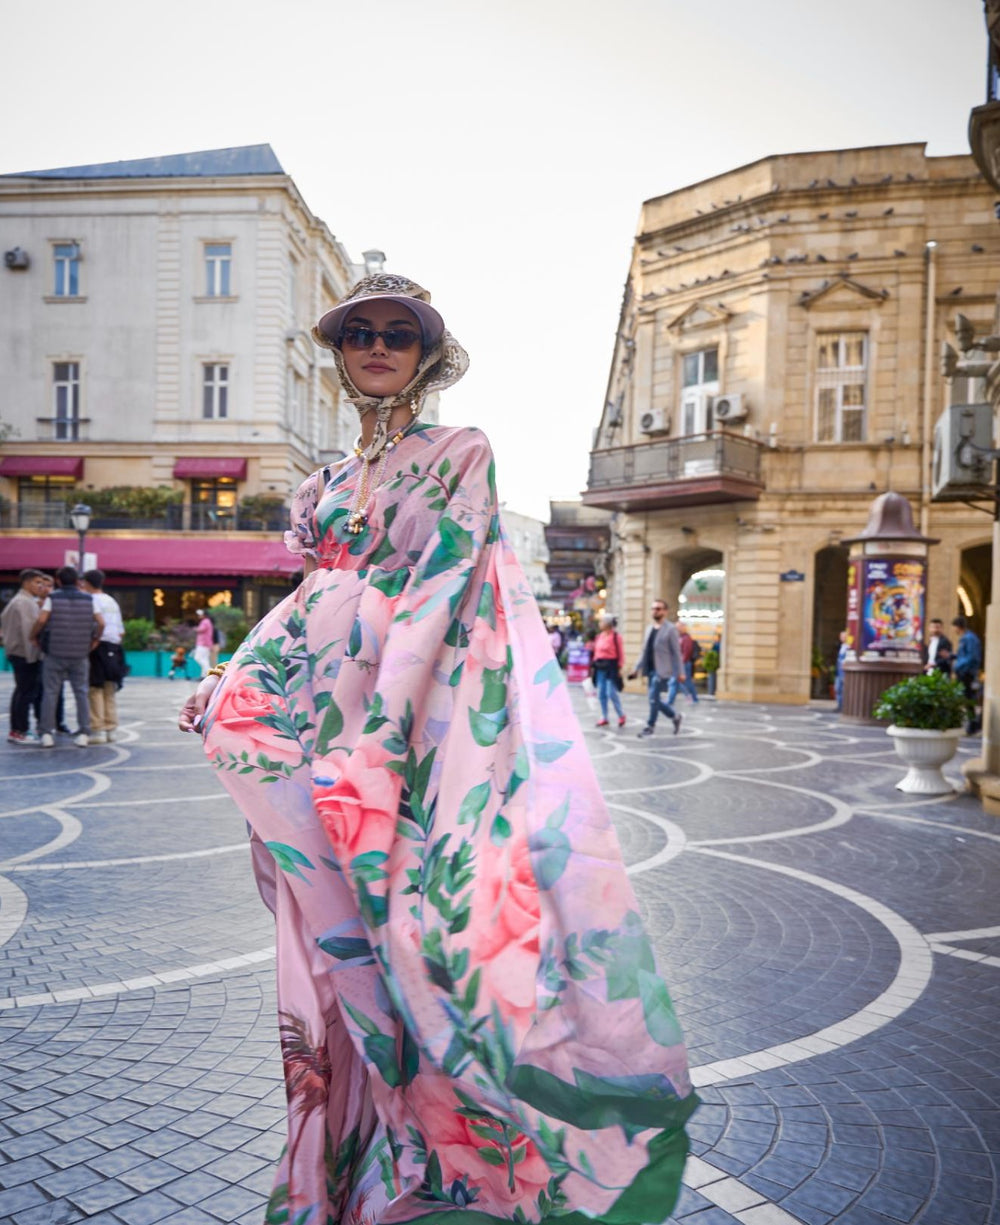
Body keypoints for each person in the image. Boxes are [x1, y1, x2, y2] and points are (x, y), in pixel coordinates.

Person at [178, 274, 694, 1225]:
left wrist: (381, 732)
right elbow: (306, 605)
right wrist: (228, 679)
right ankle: (366, 1150)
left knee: (425, 937)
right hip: (313, 733)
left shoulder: (461, 452)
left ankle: (451, 1154)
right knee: (337, 949)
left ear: (427, 353)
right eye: (360, 333)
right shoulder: (321, 485)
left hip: (413, 737)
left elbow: (447, 582)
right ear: (340, 353)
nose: (378, 346)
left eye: (398, 334)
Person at [33, 566, 103, 747]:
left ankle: (46, 733)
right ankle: (84, 733)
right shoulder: (89, 599)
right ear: (77, 581)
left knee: (50, 693)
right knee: (81, 692)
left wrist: (33, 636)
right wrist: (95, 640)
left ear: (58, 580)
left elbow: (41, 620)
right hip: (80, 653)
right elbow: (101, 622)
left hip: (55, 652)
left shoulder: (52, 598)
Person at [80, 569, 126, 744]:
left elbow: (100, 623)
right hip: (114, 648)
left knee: (95, 689)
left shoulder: (91, 600)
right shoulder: (111, 601)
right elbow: (121, 631)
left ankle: (97, 730)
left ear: (87, 583)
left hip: (98, 647)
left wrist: (95, 640)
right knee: (109, 689)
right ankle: (111, 729)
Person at [1, 568, 46, 743]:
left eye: (41, 583)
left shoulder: (20, 601)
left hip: (16, 652)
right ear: (26, 583)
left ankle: (17, 730)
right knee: (25, 693)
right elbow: (30, 634)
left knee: (22, 692)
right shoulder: (24, 602)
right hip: (24, 654)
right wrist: (33, 657)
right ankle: (20, 730)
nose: (40, 586)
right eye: (37, 582)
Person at [628, 597, 683, 737]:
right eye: (653, 608)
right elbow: (644, 651)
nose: (655, 611)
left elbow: (677, 653)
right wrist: (636, 668)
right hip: (650, 670)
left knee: (653, 699)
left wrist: (681, 672)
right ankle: (675, 716)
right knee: (654, 699)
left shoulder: (670, 629)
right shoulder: (649, 629)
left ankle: (650, 726)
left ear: (665, 611)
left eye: (658, 609)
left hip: (663, 670)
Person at [591, 613, 626, 727]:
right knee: (601, 693)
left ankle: (621, 715)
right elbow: (596, 651)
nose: (600, 623)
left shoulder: (616, 637)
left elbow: (620, 653)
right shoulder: (599, 636)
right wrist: (593, 665)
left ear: (608, 623)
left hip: (611, 666)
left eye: (602, 621)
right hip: (600, 666)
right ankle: (604, 717)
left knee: (611, 692)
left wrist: (620, 667)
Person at [951, 615, 983, 735]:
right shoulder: (966, 638)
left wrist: (957, 666)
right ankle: (973, 723)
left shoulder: (969, 638)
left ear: (958, 627)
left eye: (954, 627)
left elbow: (971, 657)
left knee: (968, 699)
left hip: (967, 674)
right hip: (964, 672)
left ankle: (973, 724)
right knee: (966, 699)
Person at [666, 623, 699, 706]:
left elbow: (686, 652)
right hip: (679, 664)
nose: (676, 629)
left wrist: (680, 664)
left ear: (683, 628)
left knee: (684, 682)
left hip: (683, 664)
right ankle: (670, 700)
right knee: (674, 682)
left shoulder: (686, 638)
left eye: (678, 628)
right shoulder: (679, 638)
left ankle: (692, 698)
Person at [192, 609, 214, 677]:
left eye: (200, 614)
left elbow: (201, 629)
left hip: (203, 643)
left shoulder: (205, 622)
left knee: (197, 657)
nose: (199, 616)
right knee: (205, 659)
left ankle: (210, 671)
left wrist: (195, 629)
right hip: (207, 644)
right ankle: (204, 676)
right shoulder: (208, 621)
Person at [834, 630, 849, 712]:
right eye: (841, 636)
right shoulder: (841, 646)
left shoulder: (848, 647)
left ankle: (843, 706)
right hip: (838, 672)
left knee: (843, 689)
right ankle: (839, 705)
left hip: (843, 672)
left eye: (843, 636)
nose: (842, 638)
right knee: (837, 689)